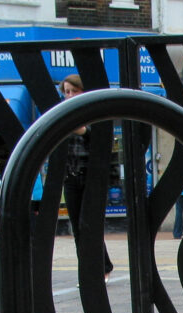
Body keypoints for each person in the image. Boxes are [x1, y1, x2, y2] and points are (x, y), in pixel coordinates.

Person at [60, 73, 113, 280]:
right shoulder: (62, 116)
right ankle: (89, 270)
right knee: (77, 228)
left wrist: (82, 130)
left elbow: (101, 140)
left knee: (89, 225)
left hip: (91, 177)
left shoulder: (92, 114)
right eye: (66, 92)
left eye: (74, 91)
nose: (69, 95)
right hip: (71, 177)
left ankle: (102, 268)